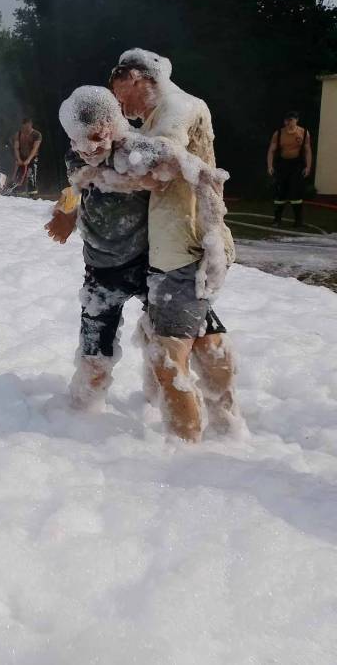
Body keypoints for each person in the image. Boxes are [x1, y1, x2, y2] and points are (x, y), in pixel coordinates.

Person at [109, 48, 244, 441]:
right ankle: (229, 424)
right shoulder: (158, 115)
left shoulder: (177, 105)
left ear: (135, 78)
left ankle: (185, 456)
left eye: (120, 93)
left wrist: (116, 150)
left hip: (185, 250)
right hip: (183, 249)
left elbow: (161, 159)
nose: (120, 105)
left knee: (168, 357)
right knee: (203, 336)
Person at [266, 111, 313, 227]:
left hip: (297, 164)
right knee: (280, 193)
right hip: (282, 164)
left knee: (295, 193)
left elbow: (307, 150)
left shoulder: (304, 133)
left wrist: (308, 166)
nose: (289, 122)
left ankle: (298, 221)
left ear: (296, 120)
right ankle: (277, 220)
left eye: (291, 120)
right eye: (287, 120)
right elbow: (271, 150)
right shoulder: (278, 133)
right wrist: (270, 166)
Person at [10, 117, 42, 194]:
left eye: (27, 127)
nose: (25, 129)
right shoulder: (18, 134)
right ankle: (16, 191)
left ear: (30, 125)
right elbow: (16, 148)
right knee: (17, 177)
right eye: (23, 127)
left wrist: (28, 160)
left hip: (32, 158)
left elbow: (35, 149)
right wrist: (18, 159)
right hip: (21, 157)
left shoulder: (37, 134)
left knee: (30, 175)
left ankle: (32, 192)